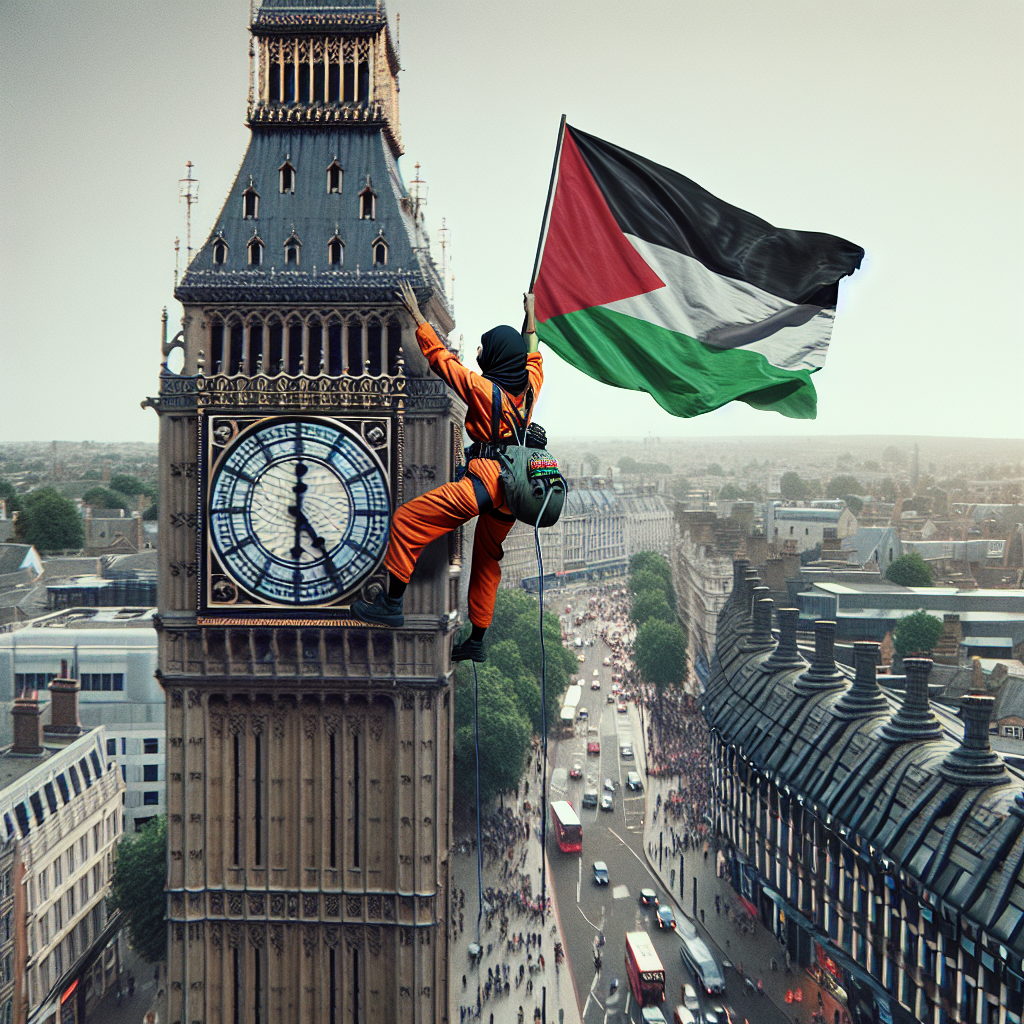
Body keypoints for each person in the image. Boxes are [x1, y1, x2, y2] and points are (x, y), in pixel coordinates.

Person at [353, 285, 544, 663]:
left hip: (485, 482)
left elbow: (442, 361)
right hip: (514, 489)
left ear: (493, 357)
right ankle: (477, 639)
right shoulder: (530, 388)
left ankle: (391, 603)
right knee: (488, 559)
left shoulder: (482, 388)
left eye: (482, 348)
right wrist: (531, 314)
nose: (476, 352)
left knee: (408, 521)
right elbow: (533, 352)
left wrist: (419, 319)